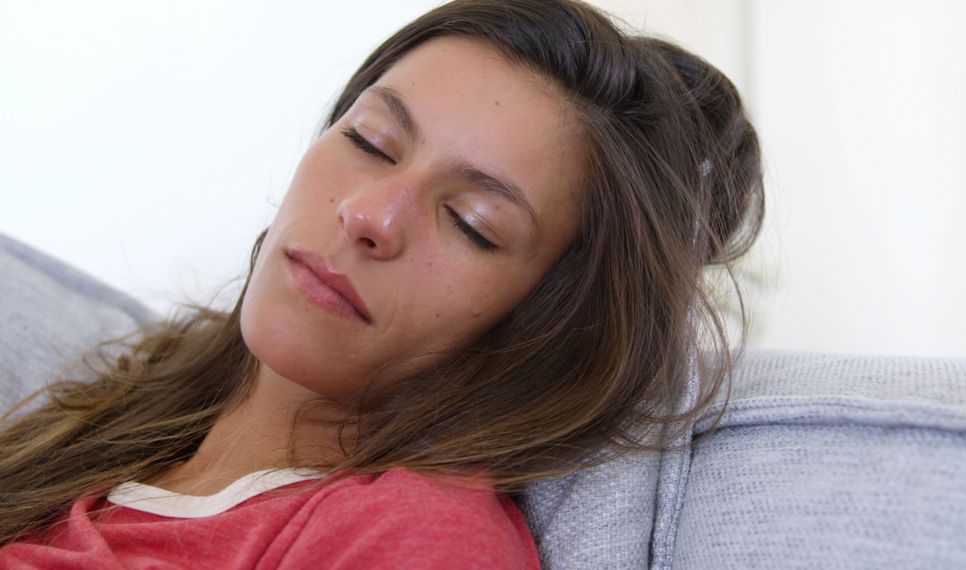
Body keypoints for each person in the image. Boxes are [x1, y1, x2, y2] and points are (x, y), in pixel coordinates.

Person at [0, 0, 763, 566]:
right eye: (370, 140)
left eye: (470, 222)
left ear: (544, 323)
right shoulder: (107, 416)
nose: (369, 214)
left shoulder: (413, 539)